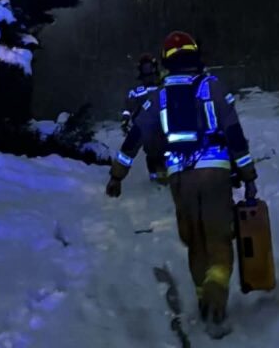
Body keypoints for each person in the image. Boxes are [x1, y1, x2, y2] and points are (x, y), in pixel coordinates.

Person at [106, 31, 258, 337]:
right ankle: (216, 291)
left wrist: (117, 176)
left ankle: (204, 298)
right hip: (215, 174)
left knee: (195, 241)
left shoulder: (158, 97)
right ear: (195, 55)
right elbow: (234, 134)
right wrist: (248, 176)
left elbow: (134, 138)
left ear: (165, 62)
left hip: (180, 178)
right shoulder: (213, 87)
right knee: (218, 238)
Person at [120, 53, 168, 183]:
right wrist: (125, 120)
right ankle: (155, 180)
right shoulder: (137, 90)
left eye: (150, 67)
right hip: (145, 126)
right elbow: (128, 106)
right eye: (144, 67)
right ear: (140, 69)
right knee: (151, 152)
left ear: (155, 67)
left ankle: (167, 177)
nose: (148, 70)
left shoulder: (164, 84)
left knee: (166, 150)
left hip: (164, 123)